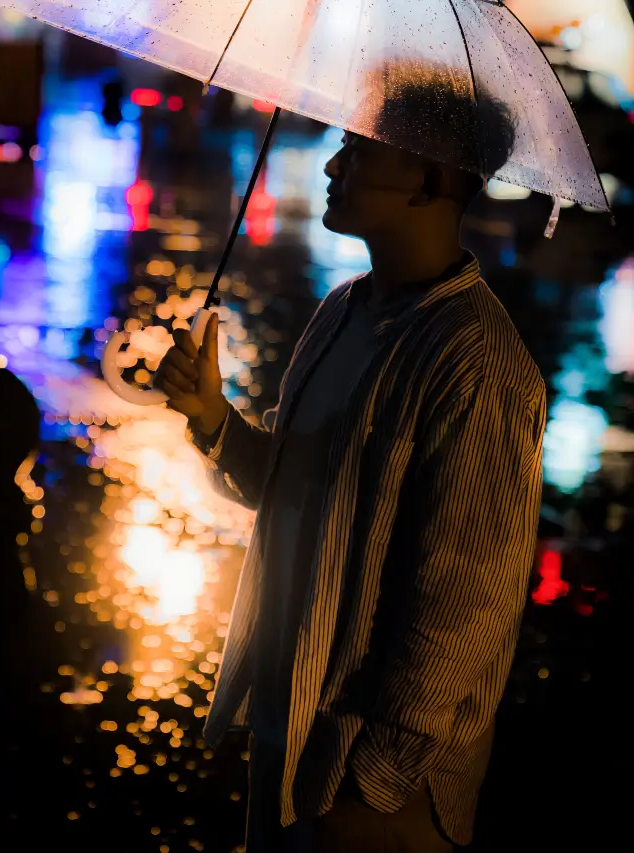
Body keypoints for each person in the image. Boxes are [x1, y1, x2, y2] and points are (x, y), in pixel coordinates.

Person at [155, 78, 546, 853]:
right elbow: (299, 489)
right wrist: (211, 417)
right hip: (293, 735)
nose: (333, 166)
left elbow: (461, 606)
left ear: (431, 179)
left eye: (360, 150)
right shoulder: (343, 311)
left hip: (372, 792)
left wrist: (375, 782)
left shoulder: (480, 367)